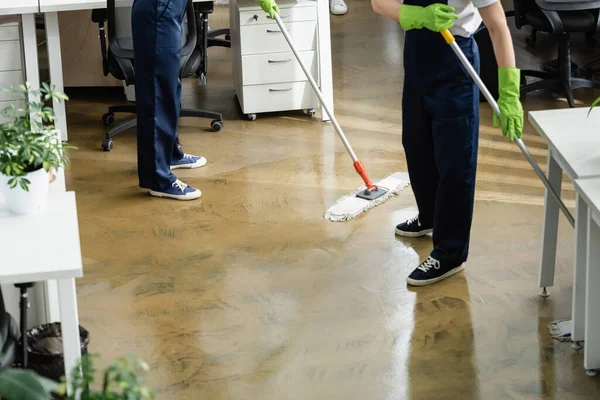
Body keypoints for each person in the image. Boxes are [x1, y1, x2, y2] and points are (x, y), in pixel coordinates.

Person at [371, 0, 524, 285]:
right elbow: (378, 4)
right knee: (417, 145)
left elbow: (497, 25)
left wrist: (509, 92)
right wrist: (414, 15)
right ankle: (429, 215)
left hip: (456, 60)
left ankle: (450, 252)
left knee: (455, 160)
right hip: (417, 57)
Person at [131, 0, 279, 201]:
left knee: (170, 85)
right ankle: (158, 178)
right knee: (158, 91)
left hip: (168, 9)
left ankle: (171, 154)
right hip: (159, 10)